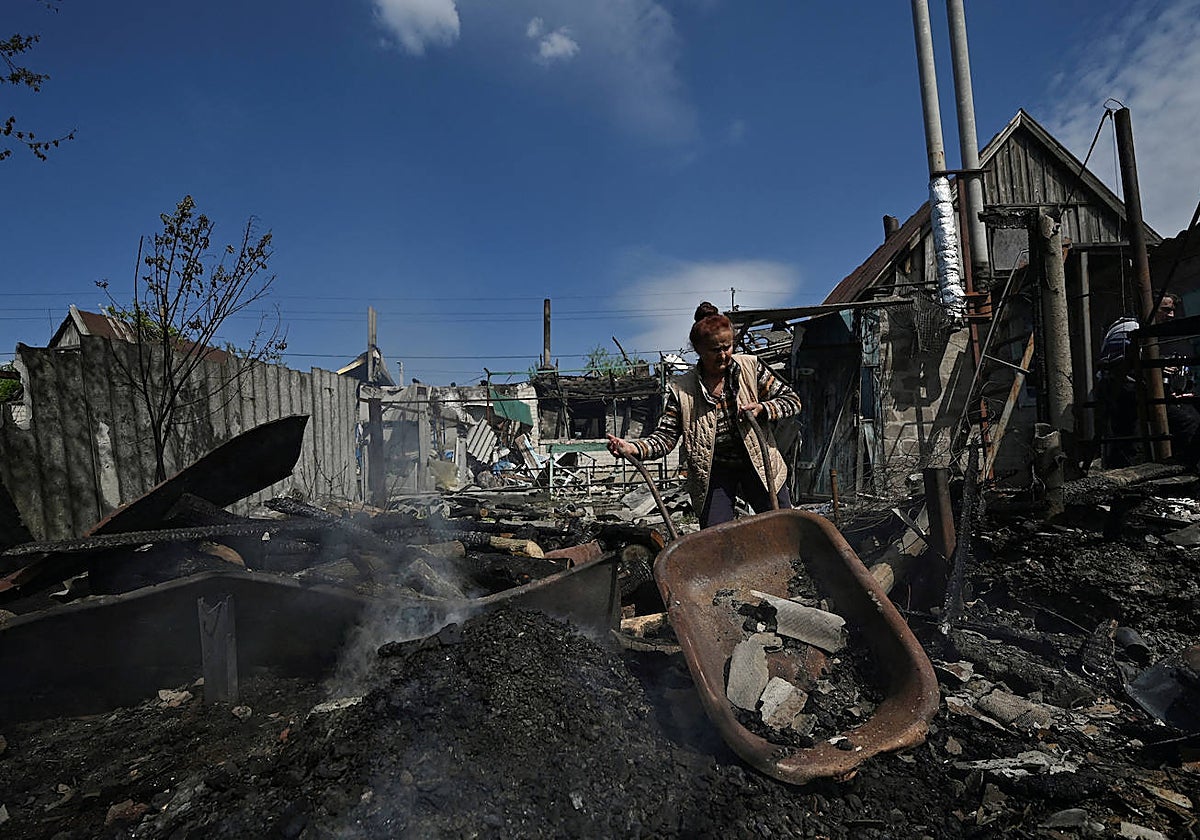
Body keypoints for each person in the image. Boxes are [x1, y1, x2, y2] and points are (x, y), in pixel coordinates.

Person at [606, 301, 802, 527]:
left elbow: (793, 401)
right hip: (713, 471)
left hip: (758, 462)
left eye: (727, 347)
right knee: (714, 537)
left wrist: (764, 409)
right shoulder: (682, 390)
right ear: (698, 350)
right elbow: (665, 438)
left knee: (782, 527)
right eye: (715, 350)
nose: (723, 355)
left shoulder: (750, 368)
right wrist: (632, 448)